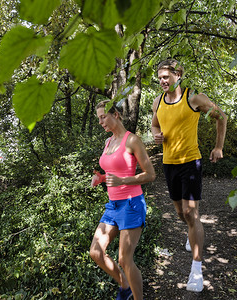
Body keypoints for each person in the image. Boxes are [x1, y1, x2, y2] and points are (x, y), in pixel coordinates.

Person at [151, 59, 227, 292]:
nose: (163, 81)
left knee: (191, 213)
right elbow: (154, 125)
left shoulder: (194, 99)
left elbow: (221, 116)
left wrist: (218, 147)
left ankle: (196, 268)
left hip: (190, 163)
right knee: (179, 212)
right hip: (169, 164)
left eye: (167, 76)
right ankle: (191, 231)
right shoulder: (157, 102)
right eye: (160, 77)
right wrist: (156, 134)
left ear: (179, 75)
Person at [90, 100, 156, 300]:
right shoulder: (108, 141)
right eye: (99, 118)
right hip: (113, 205)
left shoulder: (132, 140)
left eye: (103, 116)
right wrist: (101, 178)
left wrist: (122, 180)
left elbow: (150, 174)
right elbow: (112, 172)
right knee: (96, 252)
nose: (101, 122)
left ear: (115, 115)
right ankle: (125, 285)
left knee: (125, 259)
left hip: (131, 203)